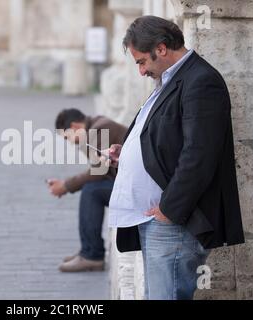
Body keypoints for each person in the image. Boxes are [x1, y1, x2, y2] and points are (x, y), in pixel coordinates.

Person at [103, 16, 245, 299]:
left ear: (162, 48)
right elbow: (166, 137)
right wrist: (130, 152)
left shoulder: (201, 81)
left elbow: (200, 153)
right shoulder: (171, 79)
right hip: (157, 219)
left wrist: (169, 209)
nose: (141, 71)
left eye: (142, 61)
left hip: (174, 221)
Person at [47, 108, 127, 272]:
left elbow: (98, 172)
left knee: (92, 191)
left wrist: (66, 186)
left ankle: (92, 255)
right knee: (91, 189)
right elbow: (101, 170)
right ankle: (87, 250)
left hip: (135, 187)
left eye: (67, 137)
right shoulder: (97, 126)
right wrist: (66, 184)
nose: (70, 142)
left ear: (75, 126)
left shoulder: (100, 129)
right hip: (126, 183)